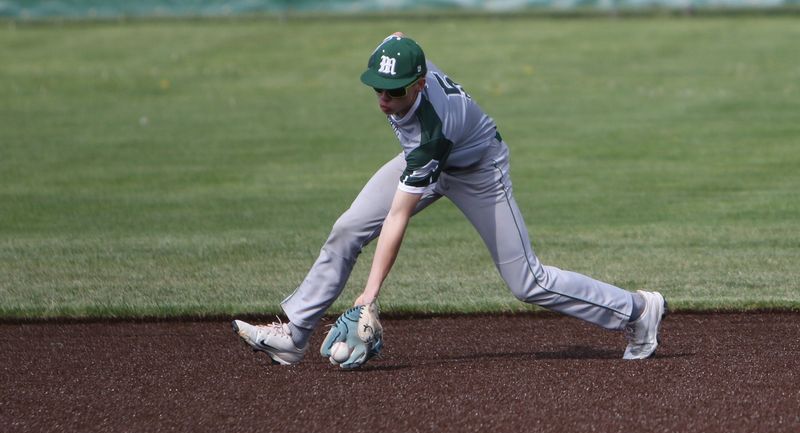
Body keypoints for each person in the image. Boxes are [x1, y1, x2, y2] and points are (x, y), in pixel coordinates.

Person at [233, 32, 666, 365]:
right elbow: (398, 37)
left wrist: (369, 295)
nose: (384, 100)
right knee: (348, 228)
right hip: (424, 161)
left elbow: (397, 218)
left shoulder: (431, 130)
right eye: (378, 89)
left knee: (527, 282)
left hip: (478, 170)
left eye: (396, 91)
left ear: (419, 84)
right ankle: (294, 336)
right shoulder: (402, 62)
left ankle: (637, 310)